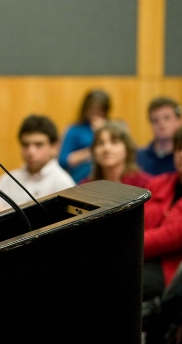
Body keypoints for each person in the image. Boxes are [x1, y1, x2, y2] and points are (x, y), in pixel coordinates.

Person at [0, 114, 75, 217]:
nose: (31, 151)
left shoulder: (64, 184)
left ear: (54, 148)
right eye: (25, 145)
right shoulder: (8, 179)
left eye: (39, 144)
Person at [142, 127, 182, 305]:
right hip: (141, 258)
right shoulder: (158, 183)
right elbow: (136, 220)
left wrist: (125, 245)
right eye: (180, 149)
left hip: (170, 272)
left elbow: (170, 237)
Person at [58, 89, 111, 183]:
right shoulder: (75, 130)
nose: (95, 113)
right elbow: (62, 160)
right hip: (80, 181)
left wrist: (103, 131)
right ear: (85, 108)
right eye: (92, 109)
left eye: (100, 110)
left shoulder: (113, 128)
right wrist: (90, 152)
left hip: (108, 182)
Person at [80, 121, 152, 188]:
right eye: (100, 143)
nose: (106, 148)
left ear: (127, 148)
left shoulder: (147, 185)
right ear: (93, 151)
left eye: (114, 142)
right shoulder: (85, 188)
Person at [137, 97, 182, 176]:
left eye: (167, 118)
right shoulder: (138, 157)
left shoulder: (179, 158)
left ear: (178, 121)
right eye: (155, 120)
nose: (161, 123)